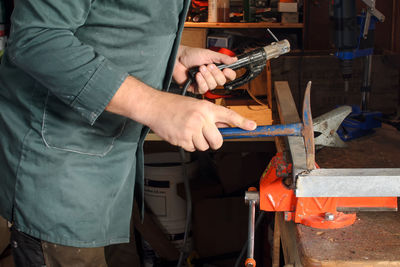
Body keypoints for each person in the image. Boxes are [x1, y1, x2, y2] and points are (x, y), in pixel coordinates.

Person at [0, 0, 256, 266]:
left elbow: (111, 18)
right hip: (60, 172)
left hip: (113, 170)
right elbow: (38, 39)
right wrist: (156, 106)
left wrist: (172, 57)